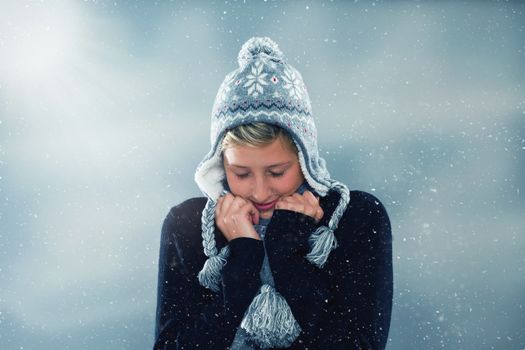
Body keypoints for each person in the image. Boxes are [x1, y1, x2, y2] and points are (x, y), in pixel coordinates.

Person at [154, 37, 393, 350]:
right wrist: (242, 256)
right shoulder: (187, 226)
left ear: (305, 158)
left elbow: (356, 345)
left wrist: (287, 251)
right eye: (241, 173)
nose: (260, 191)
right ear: (219, 163)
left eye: (277, 172)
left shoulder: (356, 218)